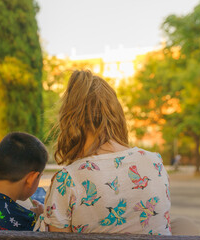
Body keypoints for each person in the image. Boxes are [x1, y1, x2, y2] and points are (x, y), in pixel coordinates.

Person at [35, 70, 172, 235]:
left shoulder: (67, 180)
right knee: (183, 224)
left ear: (70, 120)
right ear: (117, 114)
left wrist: (46, 215)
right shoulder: (155, 162)